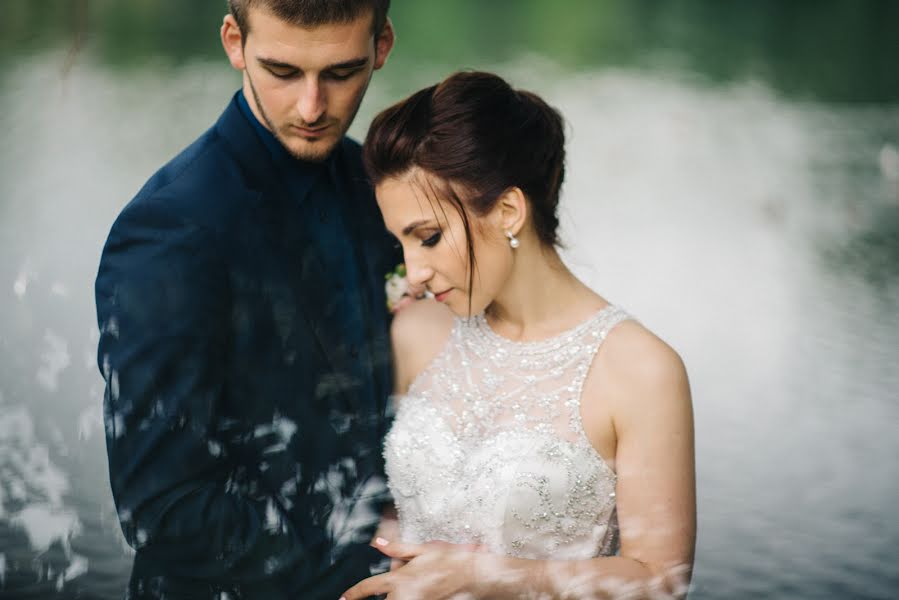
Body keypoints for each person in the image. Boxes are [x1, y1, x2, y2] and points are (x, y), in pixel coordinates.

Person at [342, 71, 696, 599]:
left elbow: (660, 581)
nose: (412, 271)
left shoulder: (641, 371)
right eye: (402, 244)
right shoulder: (416, 332)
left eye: (429, 238)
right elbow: (379, 498)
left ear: (508, 211)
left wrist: (488, 577)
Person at [94, 1, 399, 598]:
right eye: (283, 72)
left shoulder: (384, 189)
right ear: (234, 41)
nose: (313, 107)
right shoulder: (169, 232)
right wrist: (376, 564)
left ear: (381, 45)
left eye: (340, 73)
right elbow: (164, 511)